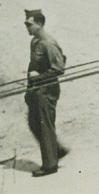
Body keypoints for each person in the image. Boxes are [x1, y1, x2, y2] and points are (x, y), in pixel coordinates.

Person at [23, 9, 68, 177]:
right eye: (25, 24)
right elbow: (33, 66)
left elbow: (59, 68)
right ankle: (56, 151)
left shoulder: (48, 43)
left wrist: (39, 77)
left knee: (44, 124)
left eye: (29, 24)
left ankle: (50, 165)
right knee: (33, 121)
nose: (26, 27)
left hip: (47, 89)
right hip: (36, 88)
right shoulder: (35, 42)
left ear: (40, 24)